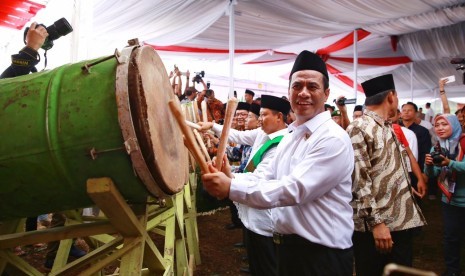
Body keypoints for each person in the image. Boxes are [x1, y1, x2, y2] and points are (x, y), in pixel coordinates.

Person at [202, 50, 355, 275]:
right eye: (297, 86)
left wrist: (230, 187)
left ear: (326, 93)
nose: (303, 93)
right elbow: (266, 177)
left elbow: (294, 189)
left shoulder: (332, 138)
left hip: (321, 257)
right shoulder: (291, 135)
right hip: (290, 248)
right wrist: (231, 177)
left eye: (312, 87)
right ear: (289, 91)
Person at [200, 95, 290, 275]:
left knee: (267, 267)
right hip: (252, 213)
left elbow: (259, 180)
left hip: (265, 217)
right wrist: (212, 126)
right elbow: (238, 135)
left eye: (264, 115)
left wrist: (230, 178)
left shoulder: (282, 143)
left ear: (279, 117)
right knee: (256, 263)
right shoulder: (263, 133)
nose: (260, 119)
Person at [347, 74, 426, 276]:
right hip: (378, 229)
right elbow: (359, 181)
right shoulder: (360, 127)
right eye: (397, 97)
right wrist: (377, 224)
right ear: (391, 96)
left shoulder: (387, 126)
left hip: (398, 224)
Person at [424, 114, 465, 276]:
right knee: (451, 238)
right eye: (437, 125)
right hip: (450, 201)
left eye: (444, 124)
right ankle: (452, 270)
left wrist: (450, 163)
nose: (440, 128)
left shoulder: (463, 142)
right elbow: (434, 173)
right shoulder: (437, 148)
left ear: (454, 125)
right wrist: (428, 165)